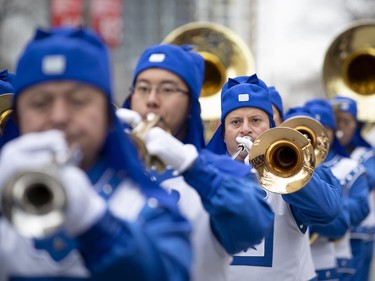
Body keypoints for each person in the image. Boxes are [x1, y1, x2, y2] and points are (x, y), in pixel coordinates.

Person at [0, 26, 192, 280]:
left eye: (78, 101)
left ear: (106, 115)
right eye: (40, 103)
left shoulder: (151, 208)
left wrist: (97, 225)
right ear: (19, 118)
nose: (58, 117)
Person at [119, 43, 274, 281]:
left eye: (167, 89)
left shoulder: (223, 169)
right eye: (142, 88)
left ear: (191, 105)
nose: (151, 100)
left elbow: (252, 226)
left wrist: (191, 166)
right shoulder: (109, 166)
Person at [206, 74, 343, 281]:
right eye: (235, 122)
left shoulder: (295, 167)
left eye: (255, 120)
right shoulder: (205, 174)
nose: (245, 129)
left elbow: (329, 211)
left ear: (271, 129)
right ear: (223, 134)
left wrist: (281, 169)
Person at [304, 98, 370, 280]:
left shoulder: (350, 167)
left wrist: (319, 209)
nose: (319, 135)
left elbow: (359, 209)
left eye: (325, 129)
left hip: (337, 258)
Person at [332, 96, 375, 281]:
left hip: (359, 236)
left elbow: (369, 179)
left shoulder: (365, 154)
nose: (340, 126)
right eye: (336, 121)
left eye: (346, 122)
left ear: (356, 126)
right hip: (330, 236)